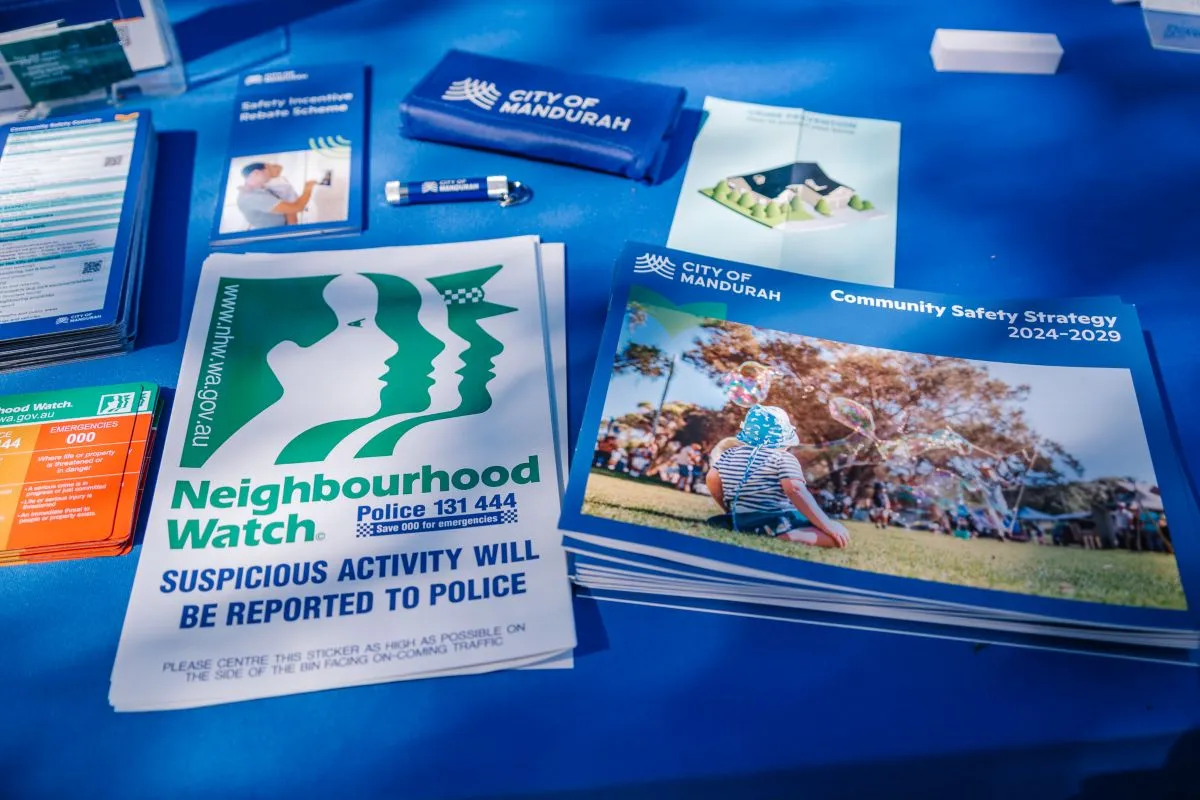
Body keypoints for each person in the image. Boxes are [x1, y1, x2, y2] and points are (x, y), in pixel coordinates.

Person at [704, 405, 849, 547]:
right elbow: (795, 490)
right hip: (774, 519)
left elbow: (711, 479)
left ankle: (758, 529)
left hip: (739, 519)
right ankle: (787, 536)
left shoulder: (729, 454)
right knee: (837, 532)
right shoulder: (782, 458)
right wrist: (827, 524)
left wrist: (729, 508)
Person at [236, 162, 317, 229]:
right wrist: (308, 188)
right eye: (268, 170)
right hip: (276, 233)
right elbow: (297, 207)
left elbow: (279, 168)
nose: (270, 175)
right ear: (256, 173)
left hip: (284, 223)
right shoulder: (253, 198)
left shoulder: (259, 188)